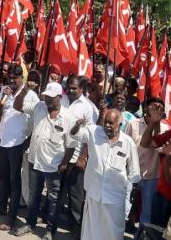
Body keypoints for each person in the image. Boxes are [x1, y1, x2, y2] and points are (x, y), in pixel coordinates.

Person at [14, 82, 76, 240]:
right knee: (34, 195)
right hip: (35, 160)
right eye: (46, 96)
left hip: (54, 166)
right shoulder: (39, 107)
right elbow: (17, 106)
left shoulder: (68, 117)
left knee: (53, 199)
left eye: (51, 97)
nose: (47, 99)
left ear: (59, 98)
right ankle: (30, 223)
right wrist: (23, 91)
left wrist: (64, 164)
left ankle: (50, 230)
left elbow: (71, 145)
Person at [0, 64, 39, 233]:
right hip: (2, 141)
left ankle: (11, 218)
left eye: (15, 79)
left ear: (22, 78)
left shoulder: (31, 95)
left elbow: (36, 121)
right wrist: (3, 99)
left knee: (15, 181)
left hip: (17, 143)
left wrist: (27, 142)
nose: (12, 81)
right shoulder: (5, 90)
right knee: (4, 177)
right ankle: (1, 207)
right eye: (9, 79)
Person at [71, 109, 140, 240]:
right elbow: (75, 135)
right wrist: (77, 125)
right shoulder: (93, 132)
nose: (106, 126)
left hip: (114, 199)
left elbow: (134, 173)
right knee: (91, 232)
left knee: (113, 234)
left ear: (119, 124)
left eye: (110, 123)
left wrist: (132, 197)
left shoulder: (128, 143)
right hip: (94, 195)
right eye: (105, 122)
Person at [125, 97, 171, 233]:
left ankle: (141, 236)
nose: (156, 109)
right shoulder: (133, 124)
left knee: (146, 212)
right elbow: (126, 146)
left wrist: (155, 122)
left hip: (152, 175)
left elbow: (158, 144)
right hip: (131, 172)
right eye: (153, 106)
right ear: (146, 108)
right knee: (124, 207)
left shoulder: (166, 128)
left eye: (160, 107)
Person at [60, 76, 97, 238]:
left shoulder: (89, 108)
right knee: (57, 194)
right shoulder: (62, 100)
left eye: (75, 88)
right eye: (69, 87)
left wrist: (83, 158)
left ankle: (77, 232)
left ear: (82, 89)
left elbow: (91, 136)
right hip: (57, 156)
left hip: (75, 159)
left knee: (75, 198)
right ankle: (52, 224)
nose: (71, 90)